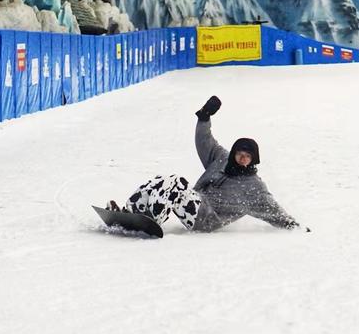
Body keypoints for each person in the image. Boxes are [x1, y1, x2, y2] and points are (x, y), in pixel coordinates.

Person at [108, 96, 307, 233]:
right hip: (196, 203)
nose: (243, 158)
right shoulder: (222, 158)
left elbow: (274, 210)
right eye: (240, 153)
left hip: (207, 220)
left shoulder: (255, 186)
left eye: (248, 156)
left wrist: (294, 226)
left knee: (176, 183)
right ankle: (130, 212)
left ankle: (149, 221)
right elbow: (205, 141)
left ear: (254, 159)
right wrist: (204, 117)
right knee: (164, 180)